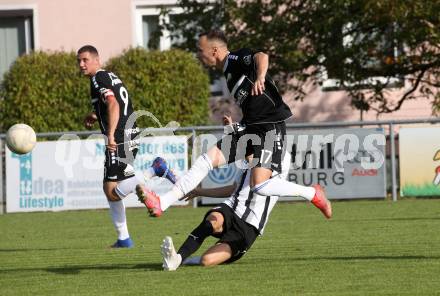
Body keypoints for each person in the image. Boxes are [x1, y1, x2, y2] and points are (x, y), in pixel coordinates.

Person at [136, 30, 332, 220]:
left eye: (199, 49)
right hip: (250, 128)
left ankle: (312, 193)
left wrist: (261, 77)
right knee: (206, 160)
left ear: (213, 50)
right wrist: (235, 127)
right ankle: (162, 203)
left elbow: (262, 56)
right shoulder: (228, 74)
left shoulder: (235, 58)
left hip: (269, 126)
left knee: (259, 186)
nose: (198, 55)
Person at [77, 45, 176, 247]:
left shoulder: (98, 79)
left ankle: (155, 169)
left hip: (121, 136)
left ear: (96, 60)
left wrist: (111, 134)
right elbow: (119, 104)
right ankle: (123, 238)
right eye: (79, 60)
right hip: (128, 133)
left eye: (85, 60)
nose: (81, 64)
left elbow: (113, 103)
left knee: (113, 191)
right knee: (110, 188)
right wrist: (96, 114)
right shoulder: (110, 76)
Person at [160, 154, 291, 271]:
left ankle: (189, 260)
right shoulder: (251, 153)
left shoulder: (283, 156)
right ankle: (177, 258)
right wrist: (198, 191)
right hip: (232, 207)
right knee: (212, 222)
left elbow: (259, 175)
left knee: (207, 261)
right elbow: (233, 188)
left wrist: (247, 151)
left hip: (250, 225)